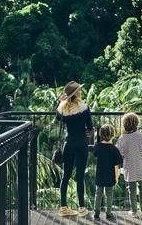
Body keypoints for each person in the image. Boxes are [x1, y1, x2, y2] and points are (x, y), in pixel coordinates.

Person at [56, 81, 93, 217]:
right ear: (76, 93)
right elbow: (89, 127)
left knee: (66, 175)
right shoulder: (84, 107)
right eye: (79, 90)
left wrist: (61, 101)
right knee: (80, 176)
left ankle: (63, 207)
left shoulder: (63, 108)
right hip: (81, 143)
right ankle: (82, 208)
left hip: (68, 143)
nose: (81, 91)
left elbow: (58, 118)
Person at [116, 112, 142, 218]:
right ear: (136, 124)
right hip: (140, 165)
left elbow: (119, 153)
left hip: (129, 167)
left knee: (132, 189)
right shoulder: (141, 136)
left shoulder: (122, 138)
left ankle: (134, 211)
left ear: (125, 124)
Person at [93, 124, 123, 222]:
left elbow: (95, 154)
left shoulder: (98, 147)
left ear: (101, 135)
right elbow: (116, 166)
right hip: (110, 176)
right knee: (109, 195)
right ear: (113, 135)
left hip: (100, 175)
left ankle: (96, 214)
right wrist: (116, 177)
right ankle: (108, 213)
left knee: (98, 194)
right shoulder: (114, 149)